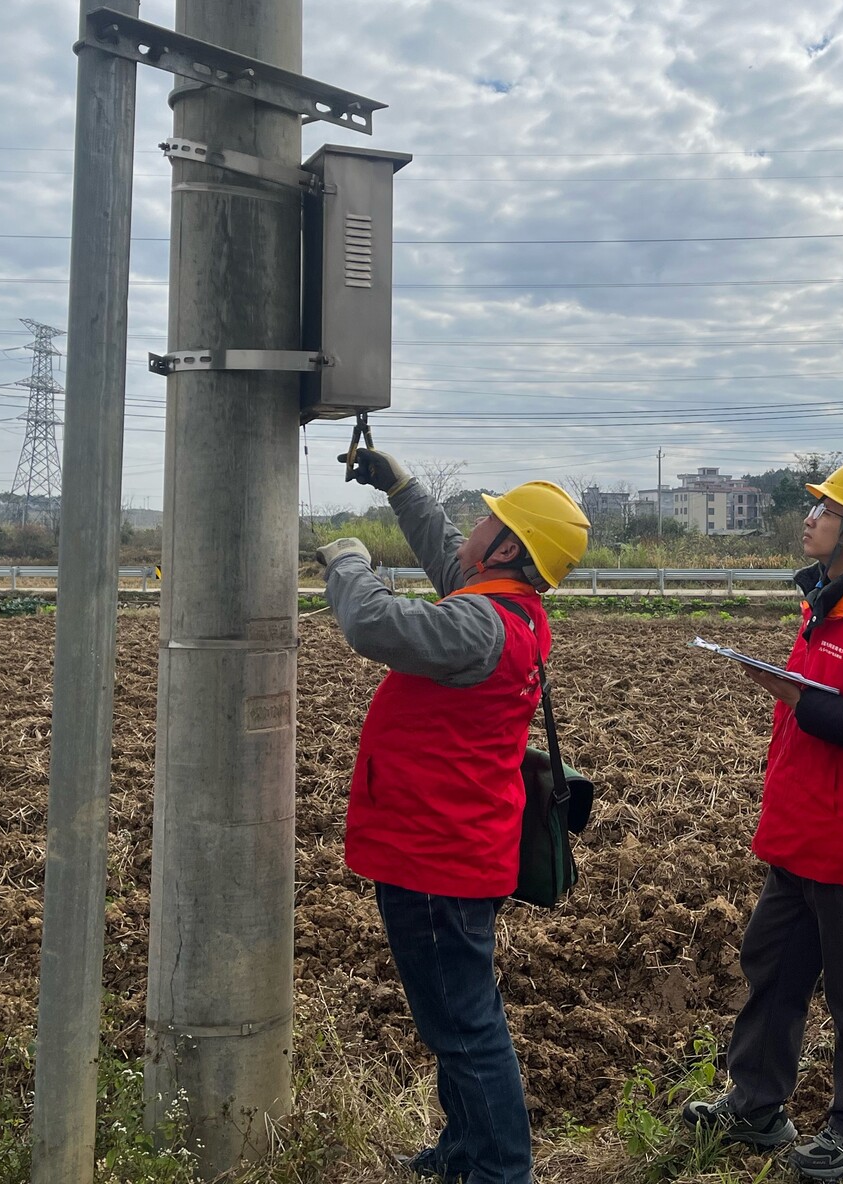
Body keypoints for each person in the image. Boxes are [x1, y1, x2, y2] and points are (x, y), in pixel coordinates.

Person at [315, 447, 591, 1184]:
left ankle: (501, 1168)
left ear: (507, 548)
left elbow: (373, 624)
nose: (472, 527)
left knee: (463, 1025)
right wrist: (401, 488)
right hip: (451, 846)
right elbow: (453, 560)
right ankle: (468, 1150)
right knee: (455, 1018)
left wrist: (346, 558)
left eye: (488, 521)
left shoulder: (480, 626)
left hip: (437, 856)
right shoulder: (506, 609)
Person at [682, 458, 843, 1181]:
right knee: (773, 966)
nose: (810, 518)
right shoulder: (828, 606)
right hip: (805, 835)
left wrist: (796, 697)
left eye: (825, 510)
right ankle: (758, 1104)